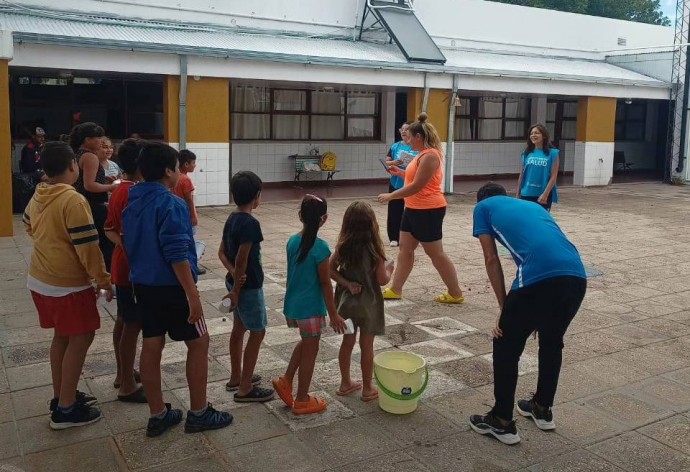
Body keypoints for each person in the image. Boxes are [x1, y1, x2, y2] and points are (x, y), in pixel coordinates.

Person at [122, 142, 232, 437]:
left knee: (152, 343)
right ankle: (199, 413)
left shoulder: (132, 199)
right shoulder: (171, 204)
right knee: (199, 342)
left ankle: (158, 414)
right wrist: (192, 294)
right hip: (172, 287)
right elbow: (177, 253)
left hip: (142, 284)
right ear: (170, 170)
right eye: (176, 167)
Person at [468, 182, 587, 445]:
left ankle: (501, 421)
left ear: (481, 200)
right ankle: (542, 408)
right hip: (576, 276)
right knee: (551, 341)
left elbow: (491, 259)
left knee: (505, 344)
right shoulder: (533, 206)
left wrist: (504, 309)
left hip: (540, 277)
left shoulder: (482, 208)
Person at [23, 141, 111, 429]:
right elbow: (87, 246)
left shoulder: (41, 192)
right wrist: (103, 279)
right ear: (73, 166)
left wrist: (50, 244)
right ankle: (65, 409)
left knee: (62, 336)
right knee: (81, 338)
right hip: (67, 285)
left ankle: (61, 394)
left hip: (41, 280)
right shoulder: (72, 199)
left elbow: (27, 224)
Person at [377, 113, 464, 304]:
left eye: (409, 135)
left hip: (428, 210)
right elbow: (413, 179)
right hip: (412, 208)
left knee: (435, 253)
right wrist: (398, 171)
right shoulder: (421, 156)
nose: (406, 139)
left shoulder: (431, 156)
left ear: (418, 137)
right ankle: (396, 289)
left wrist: (391, 196)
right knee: (405, 250)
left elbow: (418, 185)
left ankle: (455, 292)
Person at [272, 194, 346, 415]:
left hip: (293, 306)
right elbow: (325, 284)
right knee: (310, 353)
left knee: (306, 343)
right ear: (324, 219)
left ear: (300, 216)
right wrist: (334, 314)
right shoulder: (321, 248)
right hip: (311, 310)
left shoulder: (292, 241)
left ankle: (286, 380)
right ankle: (303, 399)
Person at [219, 171, 275, 402]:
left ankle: (236, 376)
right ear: (257, 196)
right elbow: (243, 258)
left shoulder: (231, 218)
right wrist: (237, 289)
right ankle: (245, 387)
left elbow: (222, 253)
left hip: (236, 281)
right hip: (248, 286)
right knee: (258, 331)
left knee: (239, 328)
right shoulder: (250, 224)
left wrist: (233, 276)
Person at [330, 201, 394, 402]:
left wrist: (346, 283)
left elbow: (329, 270)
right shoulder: (376, 250)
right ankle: (367, 388)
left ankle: (345, 383)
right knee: (367, 345)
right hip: (370, 306)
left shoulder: (343, 247)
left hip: (346, 304)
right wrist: (391, 268)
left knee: (347, 342)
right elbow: (382, 280)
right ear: (372, 224)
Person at [104, 139, 145, 403]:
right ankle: (127, 385)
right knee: (133, 324)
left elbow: (109, 228)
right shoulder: (134, 193)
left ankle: (123, 373)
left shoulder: (120, 189)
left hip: (121, 263)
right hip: (132, 267)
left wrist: (121, 243)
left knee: (123, 319)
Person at [70, 123, 119, 272]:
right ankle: (108, 276)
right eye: (97, 137)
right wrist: (112, 187)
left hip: (81, 201)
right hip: (94, 203)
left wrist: (105, 180)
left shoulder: (77, 153)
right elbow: (89, 185)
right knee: (106, 242)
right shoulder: (90, 156)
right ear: (87, 139)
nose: (100, 140)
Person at [173, 150, 206, 275]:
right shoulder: (185, 179)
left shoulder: (174, 177)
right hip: (186, 215)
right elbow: (189, 200)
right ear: (186, 164)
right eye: (193, 163)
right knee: (191, 242)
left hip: (176, 215)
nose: (195, 165)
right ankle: (192, 266)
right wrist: (193, 215)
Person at [385, 122, 417, 247]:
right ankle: (394, 237)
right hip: (396, 182)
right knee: (394, 210)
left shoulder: (416, 147)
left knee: (411, 210)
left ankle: (412, 235)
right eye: (402, 129)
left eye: (407, 129)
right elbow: (387, 162)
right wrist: (395, 162)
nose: (404, 132)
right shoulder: (395, 146)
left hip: (411, 184)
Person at [516, 124, 559, 211]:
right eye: (531, 133)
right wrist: (518, 193)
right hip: (526, 193)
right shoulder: (526, 153)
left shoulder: (553, 153)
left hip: (542, 194)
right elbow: (522, 175)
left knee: (541, 221)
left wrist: (545, 194)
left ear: (544, 136)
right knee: (526, 220)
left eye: (537, 133)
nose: (533, 135)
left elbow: (553, 177)